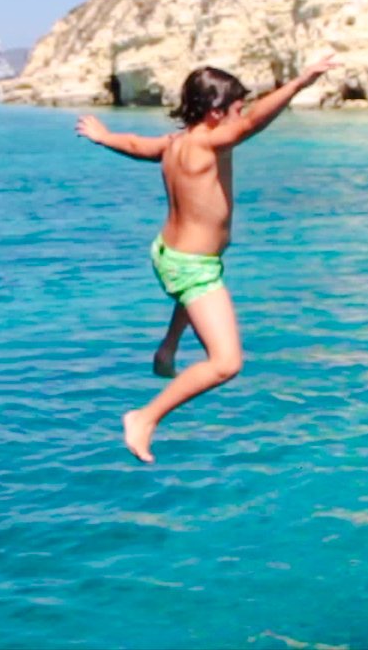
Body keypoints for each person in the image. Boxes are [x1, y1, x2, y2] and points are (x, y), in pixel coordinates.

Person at [77, 60, 337, 463]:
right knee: (225, 362)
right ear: (216, 113)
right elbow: (253, 123)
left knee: (197, 286)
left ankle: (168, 350)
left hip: (171, 254)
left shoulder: (174, 143)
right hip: (192, 266)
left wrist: (103, 136)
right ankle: (145, 418)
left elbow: (134, 145)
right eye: (235, 108)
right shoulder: (209, 143)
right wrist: (300, 82)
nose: (239, 116)